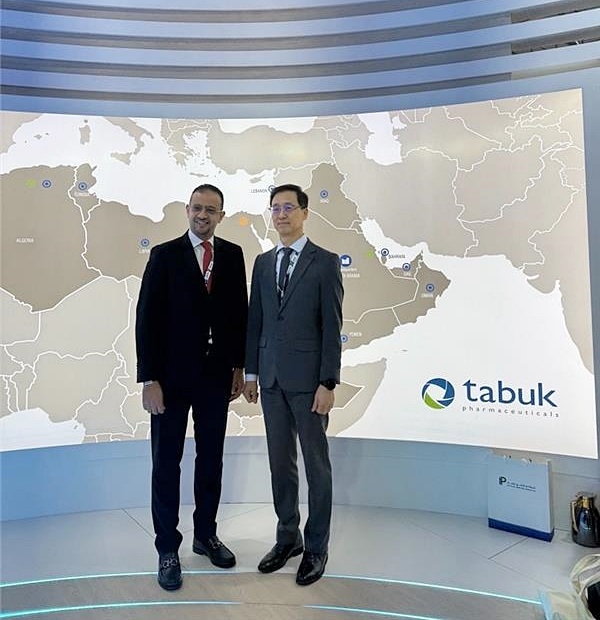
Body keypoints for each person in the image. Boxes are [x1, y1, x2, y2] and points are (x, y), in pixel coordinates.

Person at [136, 183, 248, 591]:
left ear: (221, 215)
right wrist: (150, 379)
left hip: (216, 378)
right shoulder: (164, 255)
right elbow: (147, 319)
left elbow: (239, 315)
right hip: (169, 381)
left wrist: (239, 367)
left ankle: (206, 536)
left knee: (211, 460)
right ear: (187, 210)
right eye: (197, 208)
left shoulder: (232, 255)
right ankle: (167, 548)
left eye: (211, 210)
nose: (203, 215)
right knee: (166, 464)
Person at [243, 183, 343, 586]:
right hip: (270, 380)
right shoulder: (263, 262)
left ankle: (316, 547)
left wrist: (327, 382)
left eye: (288, 207)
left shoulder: (325, 262)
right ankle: (288, 538)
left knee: (317, 466)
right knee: (279, 464)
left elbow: (331, 327)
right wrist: (251, 374)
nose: (281, 214)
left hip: (309, 383)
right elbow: (256, 320)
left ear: (304, 213)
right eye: (275, 208)